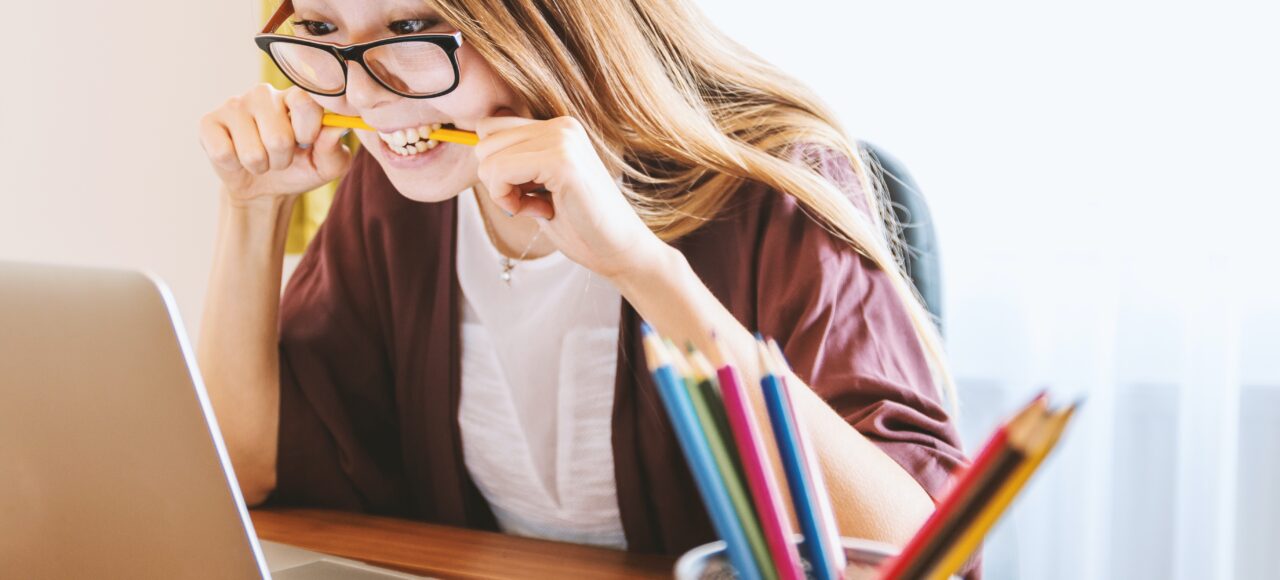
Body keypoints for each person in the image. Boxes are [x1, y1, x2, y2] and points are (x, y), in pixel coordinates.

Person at [196, 0, 969, 562]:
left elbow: (918, 552)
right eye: (323, 30)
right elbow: (248, 472)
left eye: (412, 28)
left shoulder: (773, 186)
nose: (361, 95)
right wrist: (250, 211)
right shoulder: (400, 191)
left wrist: (641, 267)